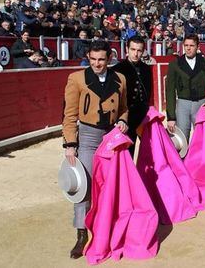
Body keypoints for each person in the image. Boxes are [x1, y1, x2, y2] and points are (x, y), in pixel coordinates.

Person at [62, 40, 129, 259]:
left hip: (110, 137)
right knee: (86, 185)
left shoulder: (119, 79)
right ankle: (82, 233)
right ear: (88, 58)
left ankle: (107, 227)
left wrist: (123, 120)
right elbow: (69, 115)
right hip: (89, 136)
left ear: (109, 59)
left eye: (101, 60)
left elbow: (123, 108)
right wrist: (70, 144)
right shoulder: (76, 79)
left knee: (111, 184)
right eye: (93, 59)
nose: (97, 64)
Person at [166, 34, 205, 141]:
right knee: (181, 140)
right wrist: (171, 117)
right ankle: (183, 159)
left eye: (192, 45)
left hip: (200, 105)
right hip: (182, 105)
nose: (188, 48)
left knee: (203, 139)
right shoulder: (175, 64)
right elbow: (170, 92)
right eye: (186, 45)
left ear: (198, 47)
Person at [112, 36, 152, 156]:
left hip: (143, 115)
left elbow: (148, 92)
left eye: (139, 50)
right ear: (127, 50)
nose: (136, 53)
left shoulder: (146, 69)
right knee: (128, 151)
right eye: (133, 49)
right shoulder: (118, 69)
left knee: (149, 151)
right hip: (126, 117)